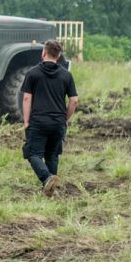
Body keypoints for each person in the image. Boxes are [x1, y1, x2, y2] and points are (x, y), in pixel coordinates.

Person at [20, 39, 79, 197]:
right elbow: (74, 101)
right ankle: (50, 191)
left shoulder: (32, 73)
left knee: (33, 154)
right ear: (58, 55)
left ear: (43, 53)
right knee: (52, 155)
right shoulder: (66, 75)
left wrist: (26, 121)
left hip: (38, 122)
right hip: (58, 123)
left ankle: (47, 179)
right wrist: (64, 119)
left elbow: (26, 99)